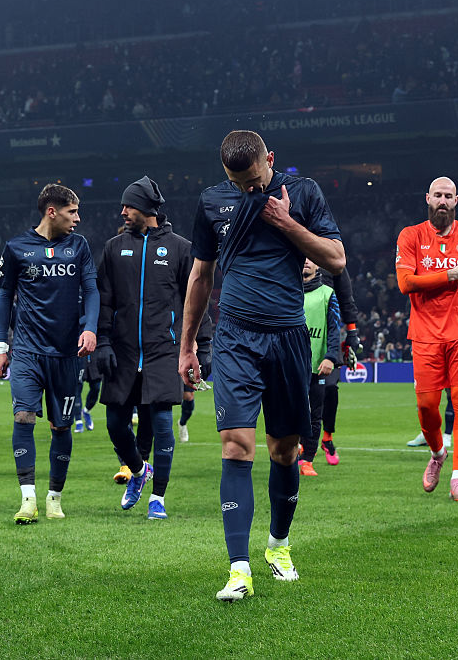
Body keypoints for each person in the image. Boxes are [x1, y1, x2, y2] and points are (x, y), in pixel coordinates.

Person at [178, 130, 345, 601]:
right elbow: (200, 276)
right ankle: (238, 569)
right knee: (236, 447)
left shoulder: (304, 193)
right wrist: (187, 346)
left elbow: (336, 259)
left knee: (285, 451)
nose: (248, 190)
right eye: (238, 183)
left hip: (288, 337)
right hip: (235, 337)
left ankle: (278, 544)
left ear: (270, 159)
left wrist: (287, 222)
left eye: (253, 181)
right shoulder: (212, 202)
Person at [95, 176, 211, 519]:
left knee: (162, 424)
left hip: (164, 350)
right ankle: (138, 469)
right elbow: (103, 301)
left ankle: (158, 497)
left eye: (128, 205)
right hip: (123, 351)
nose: (123, 212)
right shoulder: (113, 248)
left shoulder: (180, 248)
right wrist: (102, 341)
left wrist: (203, 347)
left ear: (146, 208)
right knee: (115, 424)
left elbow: (197, 301)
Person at [0, 184, 98, 523]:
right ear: (52, 211)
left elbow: (91, 290)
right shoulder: (16, 247)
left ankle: (54, 497)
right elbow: (4, 296)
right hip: (27, 351)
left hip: (66, 353)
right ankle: (28, 499)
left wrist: (90, 327)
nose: (77, 219)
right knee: (23, 416)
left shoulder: (79, 246)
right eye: (72, 211)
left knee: (61, 427)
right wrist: (1, 347)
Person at [395, 176, 458, 502]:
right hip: (424, 336)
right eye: (438, 195)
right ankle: (438, 453)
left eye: (448, 196)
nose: (443, 201)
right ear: (427, 198)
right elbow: (406, 283)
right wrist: (451, 274)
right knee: (426, 407)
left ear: (456, 201)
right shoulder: (411, 235)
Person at [298, 259, 341, 476]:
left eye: (311, 258)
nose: (306, 261)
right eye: (302, 257)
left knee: (315, 415)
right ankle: (294, 450)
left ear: (318, 266)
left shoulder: (327, 293)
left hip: (318, 366)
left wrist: (331, 357)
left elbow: (334, 328)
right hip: (292, 365)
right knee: (291, 412)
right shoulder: (287, 291)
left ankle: (307, 461)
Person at [316, 265, 361, 464]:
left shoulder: (333, 258)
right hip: (299, 330)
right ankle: (302, 439)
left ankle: (327, 437)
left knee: (330, 388)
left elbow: (346, 297)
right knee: (300, 390)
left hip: (330, 334)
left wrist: (352, 332)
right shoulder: (296, 255)